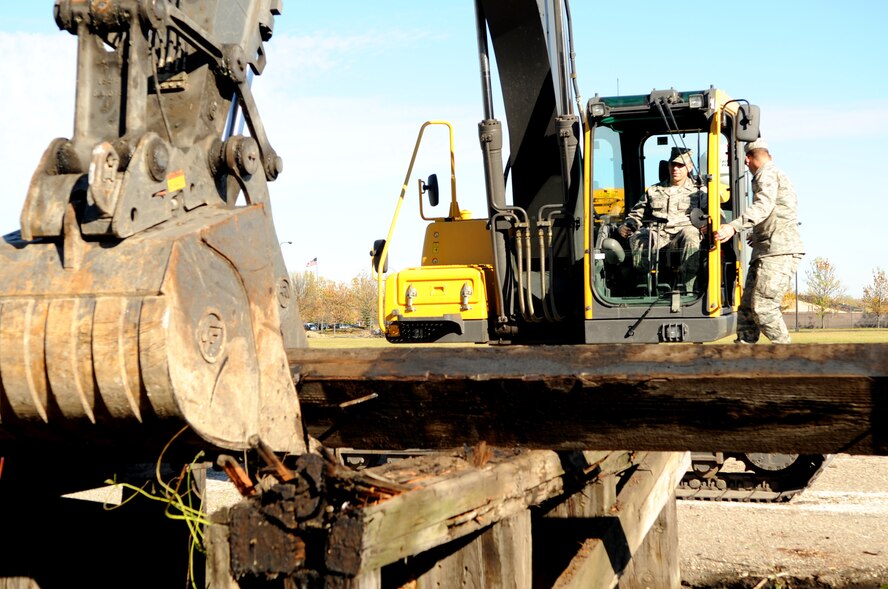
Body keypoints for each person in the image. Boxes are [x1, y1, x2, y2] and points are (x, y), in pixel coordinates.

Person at [713, 139, 803, 344]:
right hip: (766, 250)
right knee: (747, 310)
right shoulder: (774, 174)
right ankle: (743, 360)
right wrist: (759, 233)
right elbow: (778, 211)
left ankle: (788, 359)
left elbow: (764, 206)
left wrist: (733, 226)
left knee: (764, 307)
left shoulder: (767, 174)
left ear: (747, 158)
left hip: (779, 252)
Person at [618, 147, 707, 292]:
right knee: (639, 236)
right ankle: (645, 287)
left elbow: (716, 215)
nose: (676, 169)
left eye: (681, 165)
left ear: (689, 167)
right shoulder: (653, 190)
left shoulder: (699, 192)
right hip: (658, 235)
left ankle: (688, 290)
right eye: (673, 164)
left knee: (691, 233)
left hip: (681, 236)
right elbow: (637, 215)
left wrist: (709, 225)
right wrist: (629, 225)